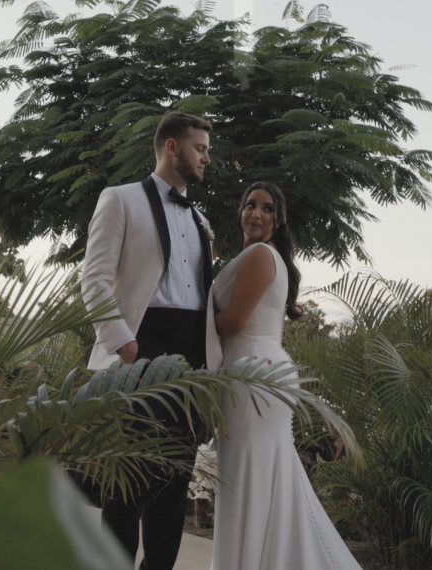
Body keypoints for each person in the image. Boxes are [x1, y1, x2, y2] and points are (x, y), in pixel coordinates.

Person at [81, 111, 215, 570]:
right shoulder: (119, 199)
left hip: (190, 354)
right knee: (127, 481)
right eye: (200, 148)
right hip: (140, 347)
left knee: (174, 481)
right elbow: (94, 279)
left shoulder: (200, 219)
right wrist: (125, 344)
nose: (206, 158)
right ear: (172, 147)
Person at [207, 182, 362, 570]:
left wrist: (187, 317)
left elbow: (233, 322)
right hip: (258, 374)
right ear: (240, 212)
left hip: (252, 378)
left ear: (277, 221)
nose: (256, 214)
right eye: (250, 205)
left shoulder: (260, 255)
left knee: (247, 479)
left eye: (267, 208)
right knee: (259, 478)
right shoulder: (261, 256)